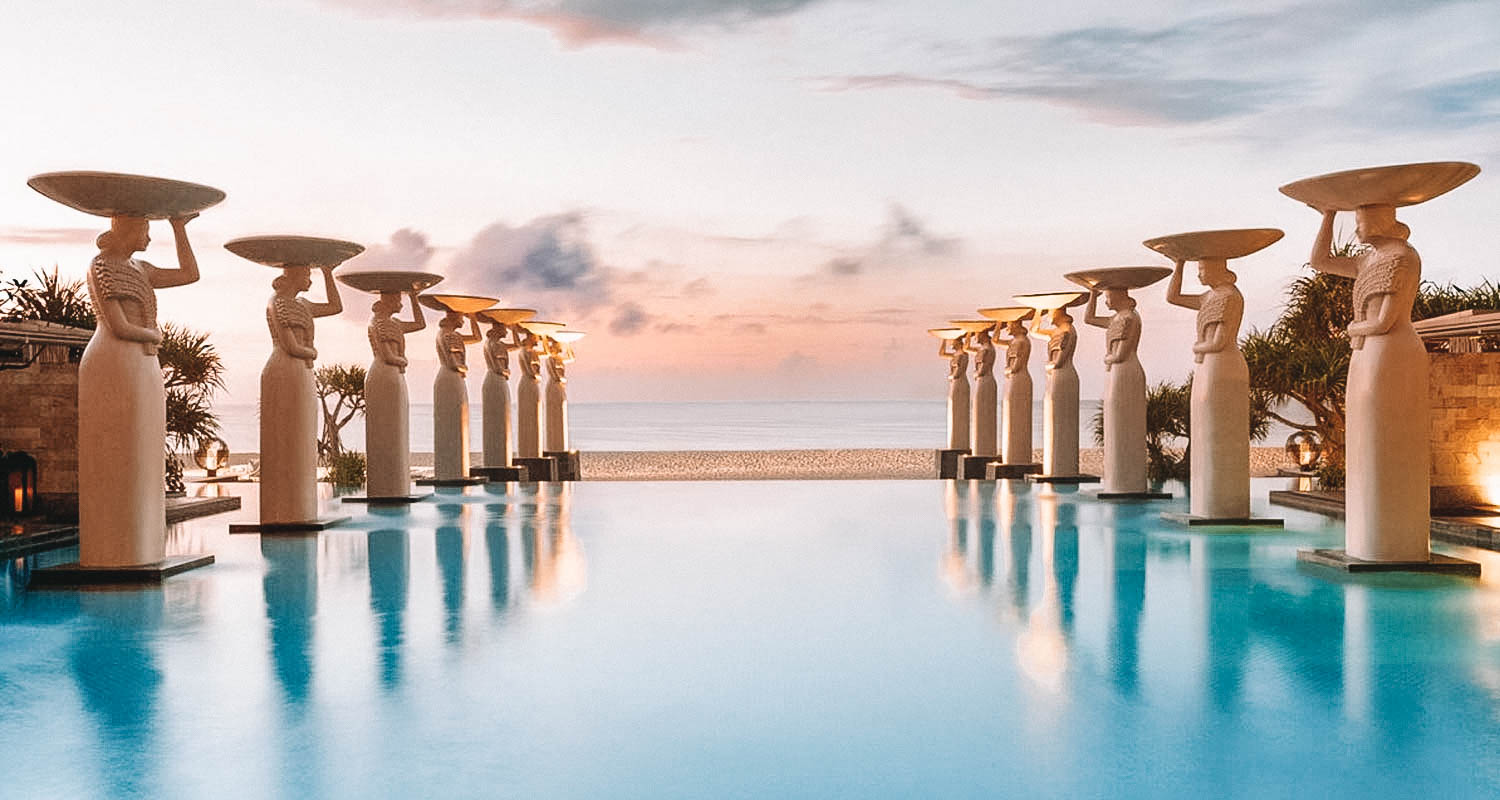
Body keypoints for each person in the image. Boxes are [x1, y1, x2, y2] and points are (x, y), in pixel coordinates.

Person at [1307, 204, 1428, 561]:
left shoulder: (1402, 257)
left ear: (1383, 220)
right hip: (1365, 353)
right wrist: (1327, 216)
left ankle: (1393, 543)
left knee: (1386, 437)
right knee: (1366, 438)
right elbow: (1320, 260)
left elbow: (1385, 321)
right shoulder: (1366, 261)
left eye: (1359, 219)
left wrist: (1352, 329)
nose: (1356, 227)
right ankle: (1367, 540)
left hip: (1391, 351)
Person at [79, 213, 198, 566]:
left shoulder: (142, 269)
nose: (149, 237)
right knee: (118, 447)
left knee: (143, 446)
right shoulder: (102, 266)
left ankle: (143, 548)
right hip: (114, 359)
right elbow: (117, 324)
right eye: (146, 229)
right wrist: (154, 336)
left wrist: (180, 227)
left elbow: (190, 274)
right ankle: (115, 550)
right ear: (128, 230)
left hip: (145, 364)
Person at [1165, 256, 1248, 518]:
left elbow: (1218, 342)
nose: (1199, 274)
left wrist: (1196, 347)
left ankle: (1223, 506)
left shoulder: (1229, 296)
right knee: (1203, 428)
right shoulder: (1207, 298)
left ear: (1216, 268)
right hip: (1207, 367)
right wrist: (1178, 264)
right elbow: (1173, 297)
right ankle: (1205, 504)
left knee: (1217, 429)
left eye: (1201, 268)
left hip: (1222, 367)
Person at [261, 264, 342, 523]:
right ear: (294, 276)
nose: (310, 279)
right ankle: (283, 511)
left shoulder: (304, 305)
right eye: (308, 275)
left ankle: (300, 507)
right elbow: (291, 346)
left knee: (301, 433)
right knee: (286, 434)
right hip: (285, 369)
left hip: (303, 373)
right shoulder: (278, 303)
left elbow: (335, 306)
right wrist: (313, 353)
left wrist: (329, 273)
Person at [1084, 285, 1147, 493]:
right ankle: (1118, 481)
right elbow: (1089, 319)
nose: (1105, 301)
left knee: (1123, 422)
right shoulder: (1117, 318)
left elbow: (1119, 355)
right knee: (1115, 422)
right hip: (1117, 372)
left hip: (1125, 371)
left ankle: (1127, 483)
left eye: (1107, 297)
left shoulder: (1127, 318)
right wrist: (1092, 294)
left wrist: (1106, 358)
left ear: (1119, 296)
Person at [365, 288, 425, 497]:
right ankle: (386, 487)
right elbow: (388, 356)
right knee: (387, 426)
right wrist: (404, 360)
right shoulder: (379, 323)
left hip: (395, 376)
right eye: (399, 300)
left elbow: (420, 324)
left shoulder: (396, 324)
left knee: (398, 425)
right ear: (389, 301)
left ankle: (396, 486)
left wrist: (415, 298)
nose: (401, 305)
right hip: (384, 374)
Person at [432, 309, 483, 480]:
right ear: (454, 318)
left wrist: (473, 317)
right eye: (462, 317)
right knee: (452, 423)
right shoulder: (449, 336)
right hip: (451, 378)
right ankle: (451, 470)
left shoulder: (451, 334)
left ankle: (454, 468)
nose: (463, 320)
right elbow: (454, 363)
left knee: (456, 423)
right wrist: (465, 369)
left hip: (452, 378)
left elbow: (477, 337)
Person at [1030, 305, 1079, 476]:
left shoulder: (1066, 331)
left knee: (1060, 423)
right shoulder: (1056, 332)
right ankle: (1055, 467)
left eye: (1050, 311)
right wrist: (1038, 310)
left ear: (1058, 313)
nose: (1049, 315)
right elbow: (1034, 331)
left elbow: (1058, 362)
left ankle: (1062, 468)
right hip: (1055, 377)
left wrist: (1048, 365)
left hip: (1063, 376)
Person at [994, 316, 1034, 465]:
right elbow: (995, 341)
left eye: (1009, 325)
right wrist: (999, 323)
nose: (1007, 328)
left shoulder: (1021, 342)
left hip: (1019, 379)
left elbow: (1015, 366)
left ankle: (1017, 456)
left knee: (1016, 416)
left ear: (1017, 325)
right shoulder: (1013, 342)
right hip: (1012, 379)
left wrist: (1008, 370)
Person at [939, 332, 971, 451]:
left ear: (958, 343)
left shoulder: (963, 355)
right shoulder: (954, 355)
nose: (951, 344)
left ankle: (960, 442)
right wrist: (943, 339)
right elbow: (941, 353)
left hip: (959, 382)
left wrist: (968, 335)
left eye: (953, 342)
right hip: (954, 383)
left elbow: (958, 373)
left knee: (958, 409)